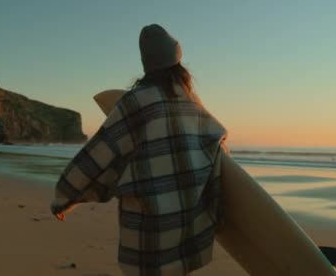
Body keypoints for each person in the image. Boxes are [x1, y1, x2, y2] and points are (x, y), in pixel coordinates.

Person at [51, 24, 228, 275]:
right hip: (187, 225)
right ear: (179, 65)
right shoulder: (193, 107)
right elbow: (218, 146)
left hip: (148, 232)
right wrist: (218, 206)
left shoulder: (135, 103)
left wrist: (64, 197)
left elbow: (100, 156)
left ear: (147, 66)